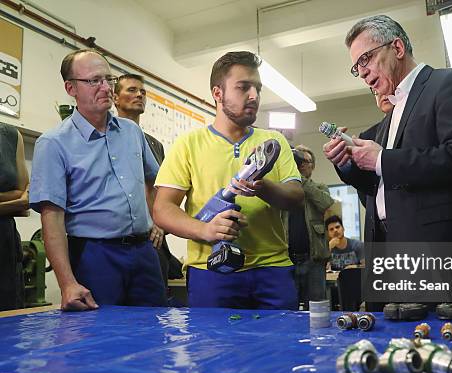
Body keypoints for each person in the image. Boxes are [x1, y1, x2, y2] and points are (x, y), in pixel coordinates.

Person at [153, 51, 304, 310]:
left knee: (281, 350)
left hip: (273, 269)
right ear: (218, 93)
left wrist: (262, 186)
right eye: (243, 87)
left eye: (257, 88)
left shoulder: (274, 141)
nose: (254, 96)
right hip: (211, 271)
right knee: (213, 350)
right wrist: (206, 230)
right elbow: (162, 209)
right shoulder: (189, 144)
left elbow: (296, 197)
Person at [323, 15, 452, 244]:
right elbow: (379, 184)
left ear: (397, 48)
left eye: (366, 58)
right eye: (356, 67)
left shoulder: (450, 82)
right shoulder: (393, 112)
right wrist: (348, 163)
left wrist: (381, 159)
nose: (362, 72)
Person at [29, 49, 166, 311]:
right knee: (101, 339)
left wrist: (157, 220)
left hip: (144, 253)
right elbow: (52, 217)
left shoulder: (131, 131)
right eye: (94, 81)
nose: (105, 87)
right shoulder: (54, 143)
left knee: (153, 335)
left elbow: (154, 180)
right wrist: (67, 283)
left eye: (108, 79)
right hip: (95, 256)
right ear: (71, 88)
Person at [113, 73, 183, 287]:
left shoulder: (154, 144)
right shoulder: (105, 137)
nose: (139, 95)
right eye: (131, 90)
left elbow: (160, 189)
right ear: (115, 98)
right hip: (115, 240)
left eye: (142, 91)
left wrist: (160, 224)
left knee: (153, 310)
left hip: (152, 239)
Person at [284, 145, 335, 309]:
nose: (301, 164)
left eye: (305, 161)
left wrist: (299, 179)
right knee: (288, 308)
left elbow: (325, 202)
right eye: (298, 160)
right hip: (287, 259)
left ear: (312, 165)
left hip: (313, 260)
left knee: (317, 308)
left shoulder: (319, 187)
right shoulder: (285, 189)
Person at [0, 123, 29, 311]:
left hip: (5, 247)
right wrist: (14, 200)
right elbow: (19, 198)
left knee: (9, 323)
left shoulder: (11, 135)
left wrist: (19, 201)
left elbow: (26, 199)